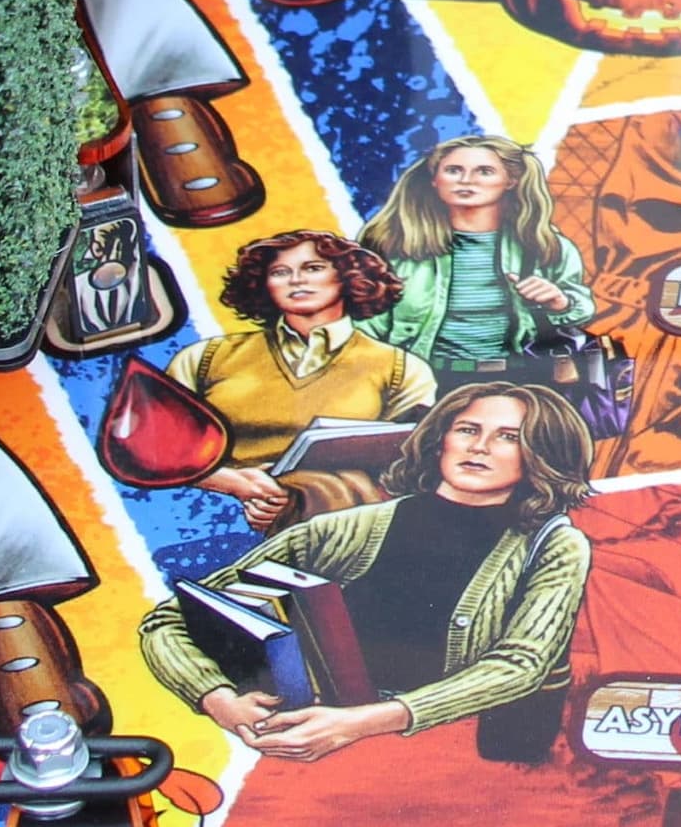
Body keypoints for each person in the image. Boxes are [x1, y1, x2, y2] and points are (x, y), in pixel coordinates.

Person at [139, 380, 594, 765]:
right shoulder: (347, 529)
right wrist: (220, 702)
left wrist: (360, 724)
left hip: (466, 759)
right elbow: (167, 621)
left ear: (544, 454)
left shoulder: (555, 543)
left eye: (509, 437)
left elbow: (520, 665)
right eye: (468, 429)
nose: (479, 446)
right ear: (441, 439)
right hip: (326, 751)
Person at [168, 231, 437, 530]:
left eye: (313, 268)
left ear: (348, 277)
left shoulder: (403, 368)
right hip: (203, 513)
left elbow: (409, 466)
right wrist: (231, 483)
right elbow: (156, 449)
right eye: (280, 272)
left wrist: (300, 499)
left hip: (340, 524)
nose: (296, 280)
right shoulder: (205, 357)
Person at [361, 135, 598, 377]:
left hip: (519, 381)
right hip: (421, 381)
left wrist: (560, 302)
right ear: (434, 179)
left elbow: (584, 310)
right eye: (453, 170)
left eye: (484, 171)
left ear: (511, 180)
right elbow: (364, 325)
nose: (466, 180)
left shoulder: (544, 245)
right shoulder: (395, 245)